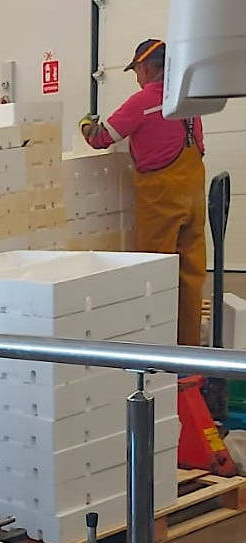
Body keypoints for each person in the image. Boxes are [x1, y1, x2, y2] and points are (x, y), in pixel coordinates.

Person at [80, 39, 206, 347]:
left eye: (136, 70)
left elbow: (100, 139)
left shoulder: (143, 101)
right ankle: (188, 353)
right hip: (193, 194)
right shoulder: (187, 97)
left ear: (146, 67)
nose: (137, 77)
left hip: (161, 199)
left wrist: (85, 123)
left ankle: (159, 351)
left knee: (155, 275)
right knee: (190, 276)